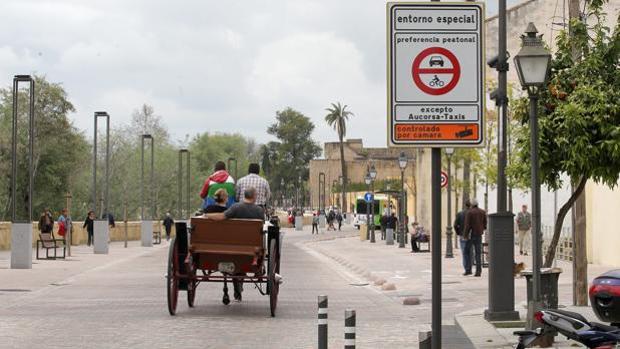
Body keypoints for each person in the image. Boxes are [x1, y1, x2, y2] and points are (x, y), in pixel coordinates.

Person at [206, 187, 264, 301]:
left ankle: (237, 285)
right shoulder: (259, 211)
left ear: (244, 196)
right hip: (252, 247)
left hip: (235, 245)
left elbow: (222, 217)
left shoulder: (236, 207)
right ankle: (247, 279)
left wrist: (207, 215)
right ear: (254, 196)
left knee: (236, 261)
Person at [462, 198, 487, 277]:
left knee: (466, 251)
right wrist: (482, 229)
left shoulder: (469, 212)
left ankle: (468, 269)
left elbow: (467, 225)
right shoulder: (482, 212)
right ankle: (478, 271)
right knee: (478, 253)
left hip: (471, 235)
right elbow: (485, 224)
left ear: (472, 204)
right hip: (479, 234)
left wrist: (465, 235)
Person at [454, 200, 472, 275]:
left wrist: (458, 233)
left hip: (462, 235)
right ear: (470, 205)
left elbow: (455, 225)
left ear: (465, 205)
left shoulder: (460, 214)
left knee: (464, 253)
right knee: (471, 252)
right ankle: (470, 268)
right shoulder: (472, 213)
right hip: (471, 235)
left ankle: (467, 269)